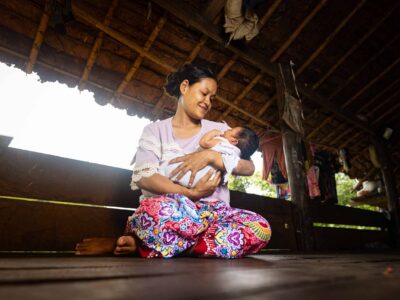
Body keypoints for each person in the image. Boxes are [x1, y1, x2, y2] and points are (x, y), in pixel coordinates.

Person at [75, 64, 271, 258]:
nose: (207, 102)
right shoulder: (155, 131)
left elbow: (248, 167)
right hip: (176, 212)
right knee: (154, 211)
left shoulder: (219, 130)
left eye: (212, 98)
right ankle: (194, 246)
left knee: (260, 227)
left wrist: (211, 156)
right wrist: (190, 193)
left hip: (214, 217)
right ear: (185, 87)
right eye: (204, 93)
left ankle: (150, 246)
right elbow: (145, 178)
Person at [162, 126, 259, 188]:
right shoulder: (236, 154)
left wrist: (213, 133)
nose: (227, 129)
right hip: (206, 182)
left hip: (195, 174)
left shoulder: (223, 142)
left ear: (233, 141)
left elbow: (204, 143)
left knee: (169, 165)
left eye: (230, 130)